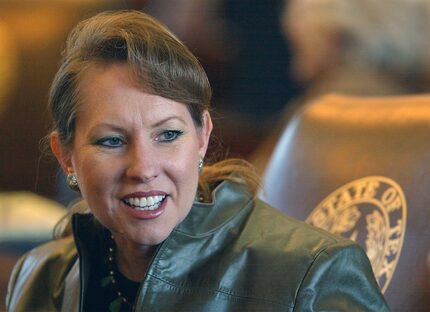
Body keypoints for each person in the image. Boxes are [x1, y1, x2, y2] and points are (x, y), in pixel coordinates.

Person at [6, 10, 389, 311]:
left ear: (203, 136)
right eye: (111, 140)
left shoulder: (314, 274)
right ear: (66, 156)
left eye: (168, 135)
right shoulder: (37, 274)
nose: (143, 167)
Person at [251, 0, 430, 174]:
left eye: (299, 49)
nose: (297, 71)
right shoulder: (415, 112)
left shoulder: (327, 111)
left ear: (334, 39)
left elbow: (256, 192)